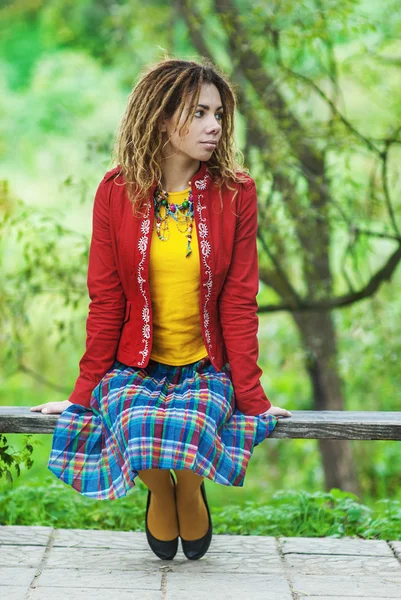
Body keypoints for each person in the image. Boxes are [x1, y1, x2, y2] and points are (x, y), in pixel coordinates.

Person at [30, 57, 292, 561]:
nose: (214, 125)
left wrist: (254, 399)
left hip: (204, 369)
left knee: (193, 425)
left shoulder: (235, 192)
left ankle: (189, 489)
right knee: (127, 420)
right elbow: (106, 300)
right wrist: (82, 393)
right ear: (159, 116)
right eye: (198, 113)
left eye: (218, 113)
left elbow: (239, 301)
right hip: (136, 366)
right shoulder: (114, 191)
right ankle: (162, 487)